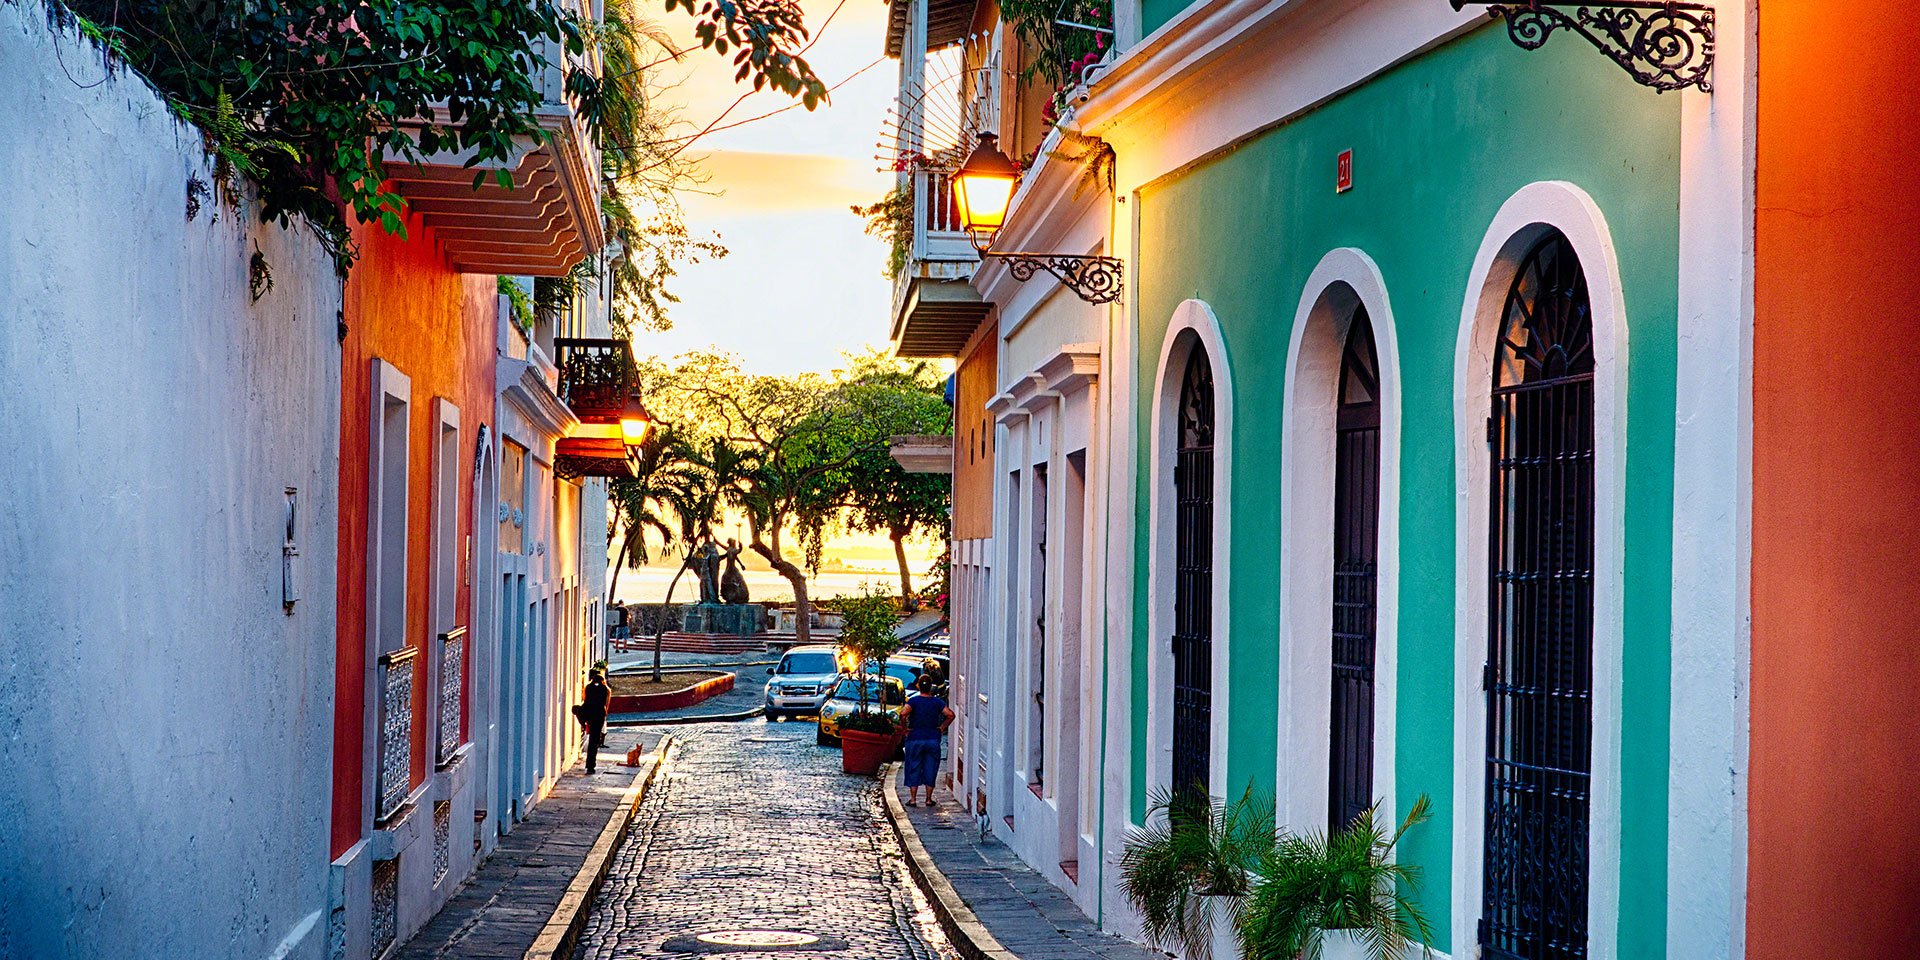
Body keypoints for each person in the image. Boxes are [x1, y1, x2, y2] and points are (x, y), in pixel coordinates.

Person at [897, 674, 953, 807]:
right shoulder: (937, 702)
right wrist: (942, 727)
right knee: (931, 767)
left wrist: (905, 728)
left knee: (913, 766)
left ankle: (913, 799)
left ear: (918, 686)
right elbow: (950, 715)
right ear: (931, 687)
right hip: (932, 738)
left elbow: (903, 714)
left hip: (915, 737)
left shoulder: (913, 701)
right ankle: (928, 799)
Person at [578, 669, 610, 774]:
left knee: (592, 739)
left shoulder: (588, 687)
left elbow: (585, 700)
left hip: (589, 714)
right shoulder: (605, 689)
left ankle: (583, 725)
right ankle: (591, 765)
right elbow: (606, 704)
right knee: (594, 740)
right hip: (599, 715)